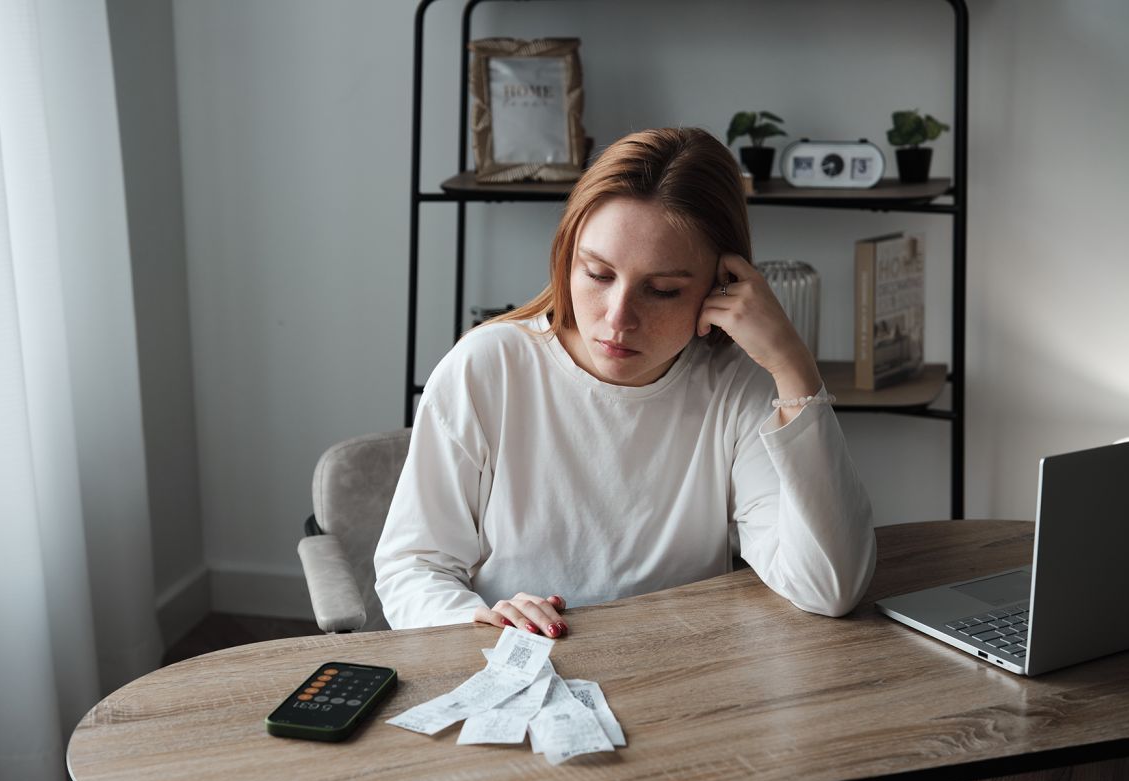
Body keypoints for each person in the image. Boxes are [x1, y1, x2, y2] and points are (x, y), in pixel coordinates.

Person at [374, 127, 875, 638]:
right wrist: (480, 618)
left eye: (662, 290)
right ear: (567, 256)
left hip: (682, 683)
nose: (618, 319)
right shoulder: (487, 368)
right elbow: (412, 568)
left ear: (721, 288)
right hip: (519, 675)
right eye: (597, 274)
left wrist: (794, 368)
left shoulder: (736, 387)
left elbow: (829, 587)